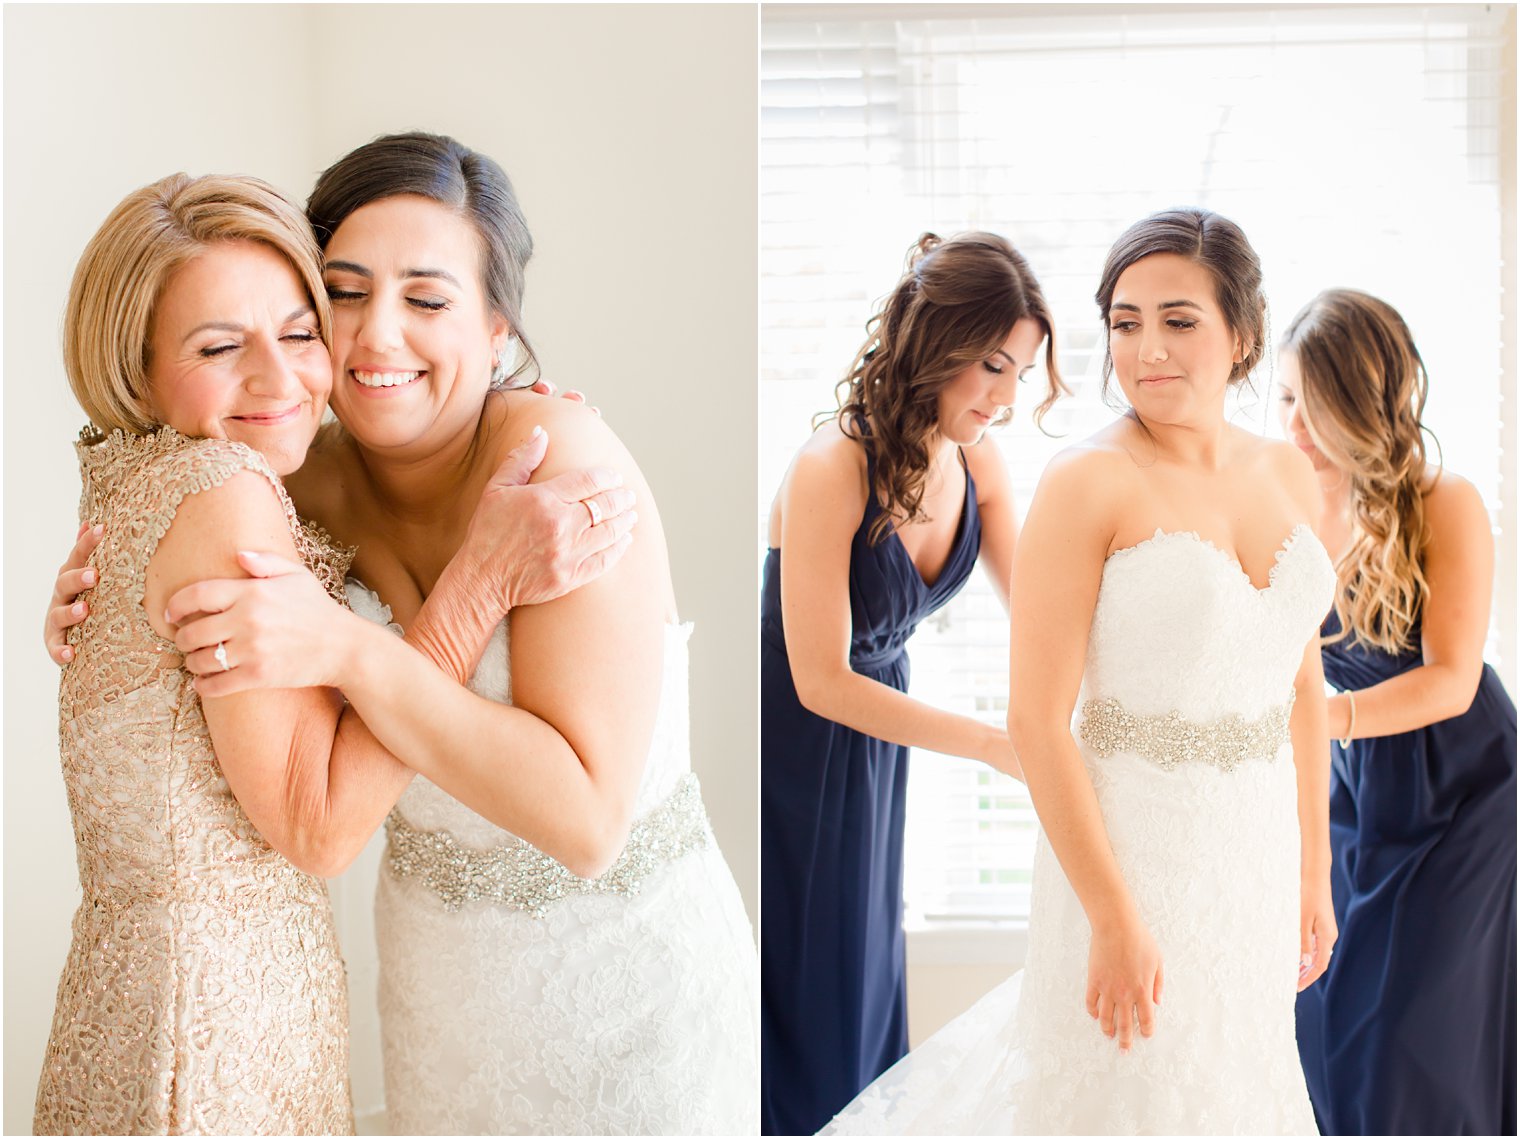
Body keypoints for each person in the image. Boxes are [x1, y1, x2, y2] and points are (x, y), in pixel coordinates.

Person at [46, 133, 759, 1135]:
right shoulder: (292, 467)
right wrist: (93, 597)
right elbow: (175, 502)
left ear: (499, 327)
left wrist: (351, 649)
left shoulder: (558, 472)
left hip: (627, 984)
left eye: (426, 300)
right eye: (342, 292)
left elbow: (586, 819)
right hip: (439, 988)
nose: (376, 335)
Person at [826, 208, 1337, 1136]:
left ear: (1244, 333)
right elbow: (1036, 720)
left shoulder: (1289, 475)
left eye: (1178, 320)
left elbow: (1301, 687)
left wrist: (1315, 868)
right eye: (1125, 321)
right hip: (1131, 857)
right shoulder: (1087, 480)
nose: (1147, 350)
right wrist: (1111, 915)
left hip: (1253, 858)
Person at [761, 231, 1052, 1135]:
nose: (1007, 398)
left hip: (883, 739)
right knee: (812, 969)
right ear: (937, 344)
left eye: (1022, 371)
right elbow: (820, 681)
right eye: (994, 366)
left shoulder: (978, 464)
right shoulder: (830, 466)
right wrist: (997, 746)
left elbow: (1045, 612)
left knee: (867, 964)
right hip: (800, 742)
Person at [1279, 289, 1516, 1136]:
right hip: (1360, 787)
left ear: (1359, 399)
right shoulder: (1290, 508)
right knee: (1331, 1017)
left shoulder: (1442, 500)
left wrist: (1324, 722)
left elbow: (1451, 678)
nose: (1295, 423)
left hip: (1464, 785)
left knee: (1417, 1033)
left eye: (1313, 401)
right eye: (1284, 399)